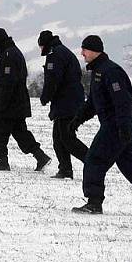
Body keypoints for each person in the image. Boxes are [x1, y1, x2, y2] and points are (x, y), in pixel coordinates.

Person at [69, 35, 132, 215]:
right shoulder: (98, 71)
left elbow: (123, 102)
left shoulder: (110, 72)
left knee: (94, 159)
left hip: (117, 125)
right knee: (130, 165)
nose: (82, 53)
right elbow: (94, 102)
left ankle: (94, 202)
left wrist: (123, 128)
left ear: (95, 51)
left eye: (85, 49)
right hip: (118, 125)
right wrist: (77, 120)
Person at [0, 27, 51, 172]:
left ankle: (2, 162)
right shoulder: (12, 52)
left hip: (10, 103)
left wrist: (1, 105)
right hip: (18, 103)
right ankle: (40, 156)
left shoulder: (8, 55)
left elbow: (8, 83)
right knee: (20, 132)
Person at [38, 30, 88, 179]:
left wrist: (45, 97)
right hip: (69, 101)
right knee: (59, 138)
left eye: (40, 46)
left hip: (67, 102)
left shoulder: (55, 55)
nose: (41, 50)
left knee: (67, 139)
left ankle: (92, 162)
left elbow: (53, 80)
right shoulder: (63, 51)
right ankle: (65, 169)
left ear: (44, 44)